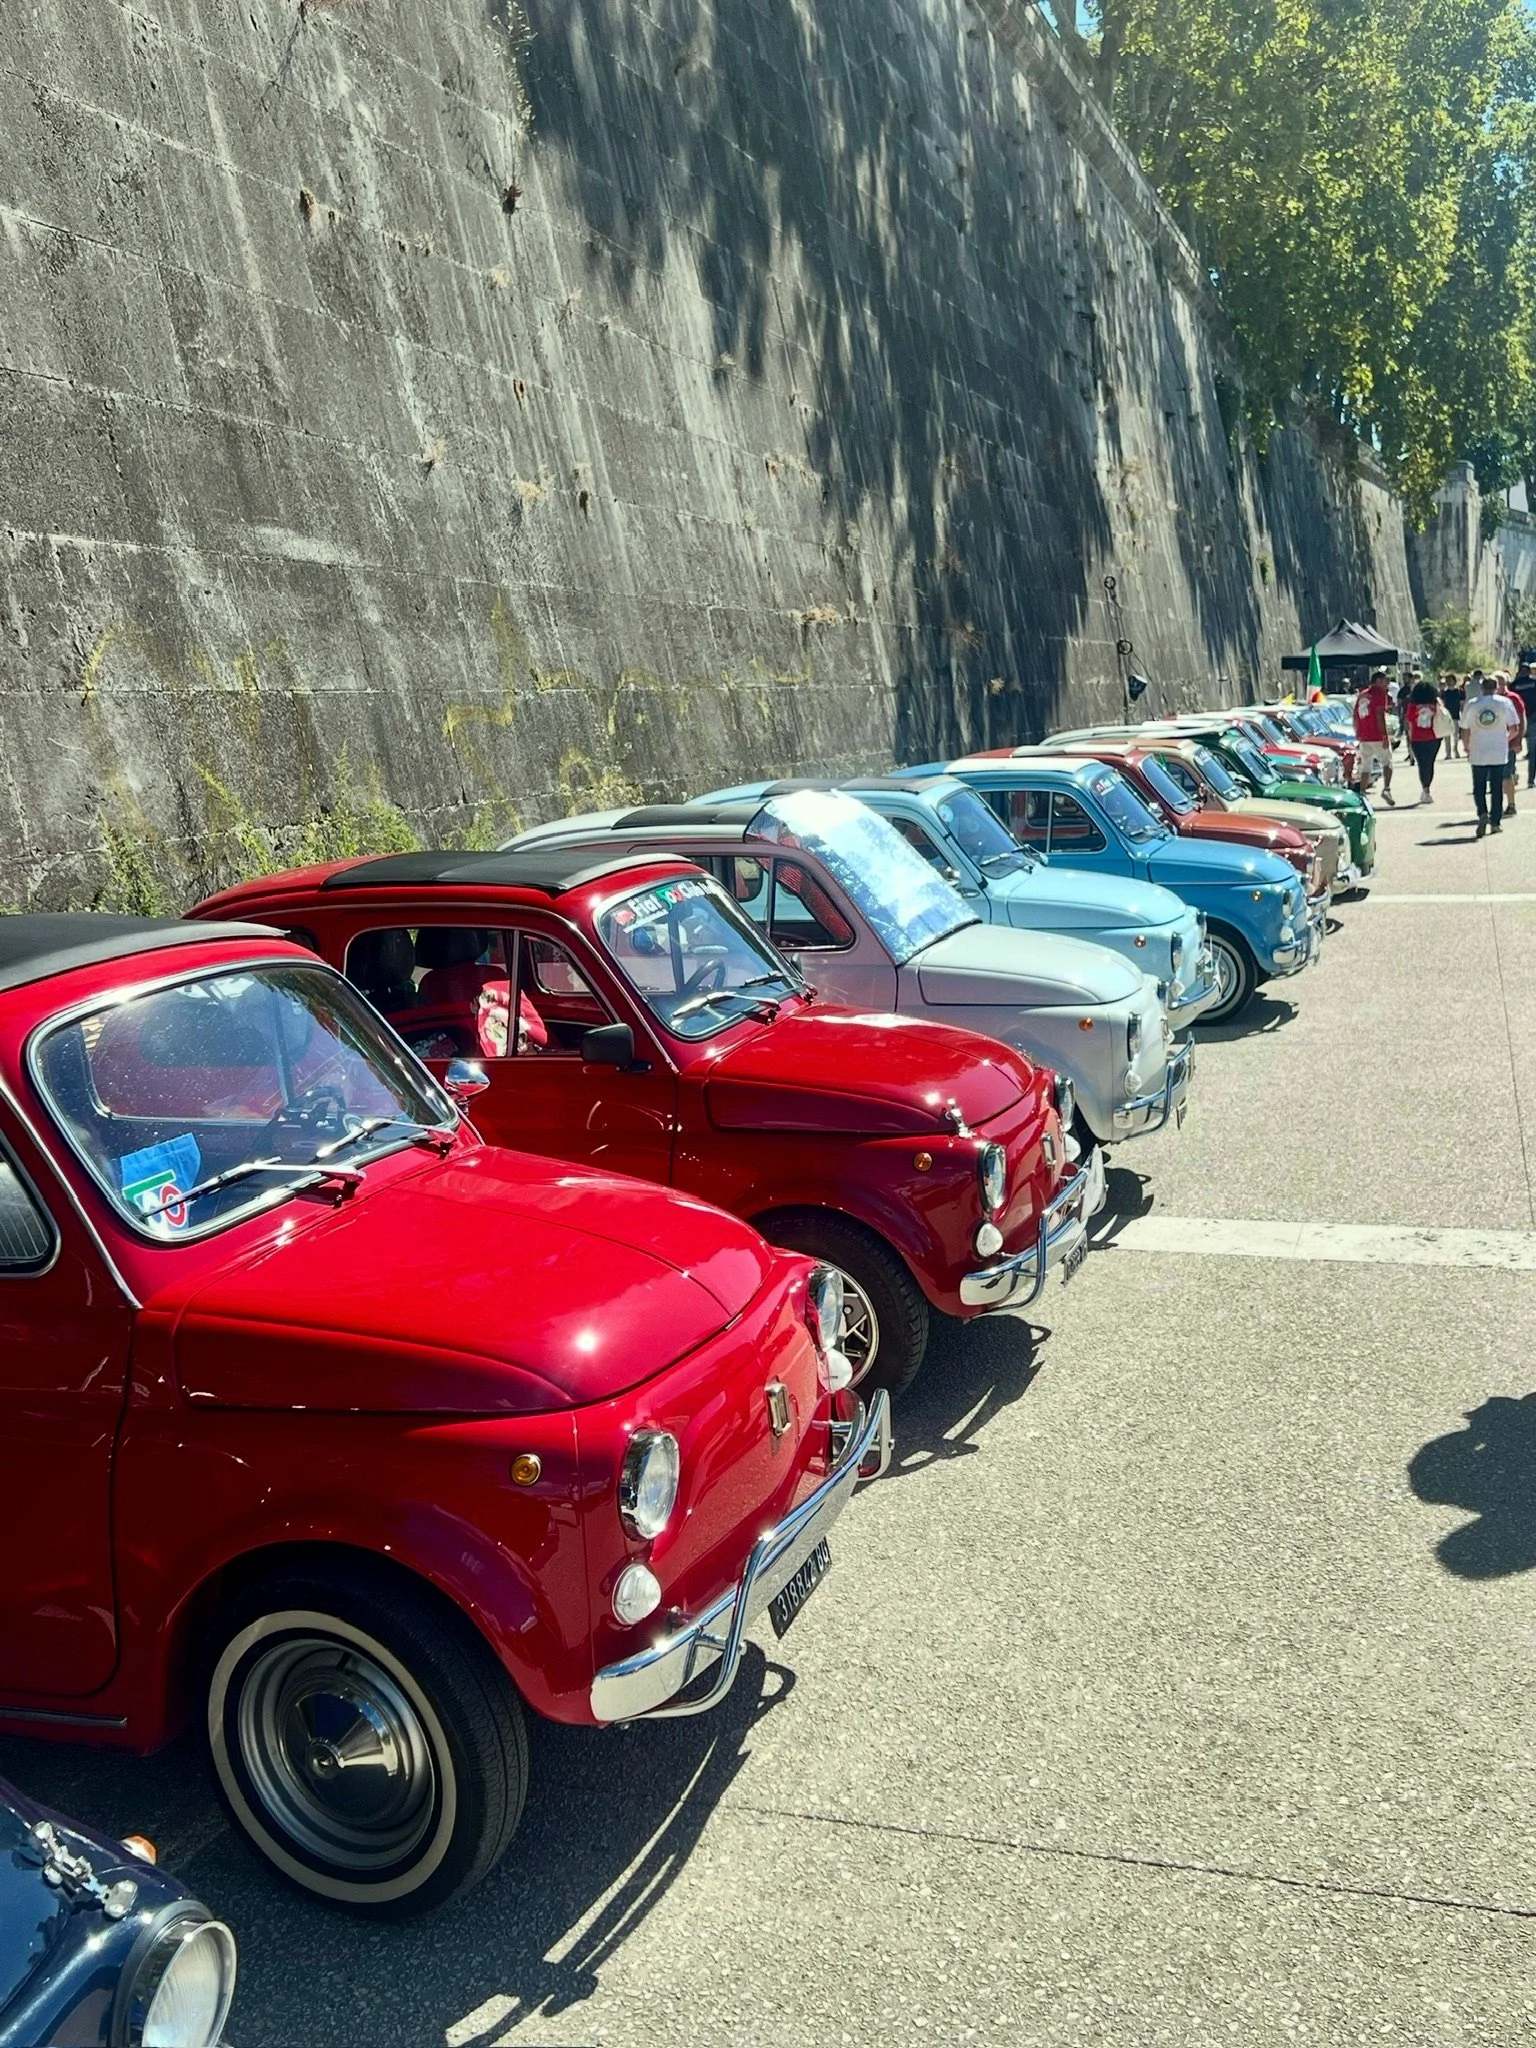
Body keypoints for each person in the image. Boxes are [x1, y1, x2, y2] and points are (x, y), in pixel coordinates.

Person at [1460, 673, 1521, 837]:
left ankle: (1482, 813)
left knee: (1479, 787)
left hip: (1478, 749)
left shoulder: (1472, 704)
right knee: (1496, 787)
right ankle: (1495, 822)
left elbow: (1464, 728)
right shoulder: (1505, 703)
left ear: (1481, 688)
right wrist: (1505, 739)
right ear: (1496, 688)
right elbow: (1514, 727)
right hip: (1498, 751)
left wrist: (1466, 746)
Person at [1353, 669, 1395, 803]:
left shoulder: (1362, 695)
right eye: (1384, 680)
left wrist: (1358, 733)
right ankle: (1387, 789)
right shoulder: (1379, 693)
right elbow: (1379, 714)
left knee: (1366, 766)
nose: (1387, 683)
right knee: (1387, 762)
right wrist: (1384, 735)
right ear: (1377, 681)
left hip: (1364, 736)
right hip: (1376, 734)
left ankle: (1362, 793)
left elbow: (1355, 716)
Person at [1403, 677, 1444, 803]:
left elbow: (1408, 722)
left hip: (1417, 738)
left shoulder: (1412, 705)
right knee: (1430, 763)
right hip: (1434, 736)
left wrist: (1409, 737)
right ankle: (1427, 788)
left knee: (1422, 764)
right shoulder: (1436, 704)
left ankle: (1425, 789)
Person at [1499, 671, 1528, 817]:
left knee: (1506, 774)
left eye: (1501, 682)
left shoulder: (1513, 698)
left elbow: (1521, 720)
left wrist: (1518, 740)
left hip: (1509, 743)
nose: (1498, 686)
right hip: (1492, 744)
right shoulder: (1487, 699)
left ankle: (1511, 804)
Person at [1512, 660, 1536, 789]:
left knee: (1513, 749)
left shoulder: (1514, 685)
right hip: (1532, 720)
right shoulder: (1534, 684)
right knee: (1533, 752)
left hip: (1516, 720)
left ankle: (1512, 774)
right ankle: (1531, 779)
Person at [1442, 672, 1465, 756]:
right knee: (1447, 735)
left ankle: (1455, 750)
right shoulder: (1444, 692)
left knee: (1456, 735)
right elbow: (1442, 704)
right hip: (1446, 716)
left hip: (1456, 715)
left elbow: (1462, 704)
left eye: (1450, 680)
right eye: (1447, 680)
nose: (1449, 682)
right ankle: (1448, 753)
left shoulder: (1459, 691)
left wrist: (1463, 714)